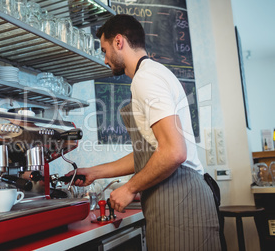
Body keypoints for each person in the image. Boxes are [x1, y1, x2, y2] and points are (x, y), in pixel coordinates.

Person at [68, 15, 221, 250]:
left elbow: (173, 152)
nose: (105, 59)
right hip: (176, 197)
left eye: (105, 49)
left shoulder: (146, 79)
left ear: (119, 42)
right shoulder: (151, 75)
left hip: (180, 197)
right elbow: (147, 155)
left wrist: (129, 188)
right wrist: (95, 172)